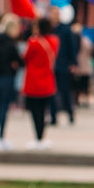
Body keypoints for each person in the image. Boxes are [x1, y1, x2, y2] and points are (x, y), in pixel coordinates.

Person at [0, 14, 23, 150]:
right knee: (3, 108)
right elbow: (19, 61)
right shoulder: (10, 44)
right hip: (6, 78)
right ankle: (1, 137)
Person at [22, 17, 58, 150]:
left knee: (35, 111)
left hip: (33, 81)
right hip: (47, 80)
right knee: (44, 111)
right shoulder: (54, 41)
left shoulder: (34, 43)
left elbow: (25, 58)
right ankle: (42, 137)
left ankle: (37, 138)